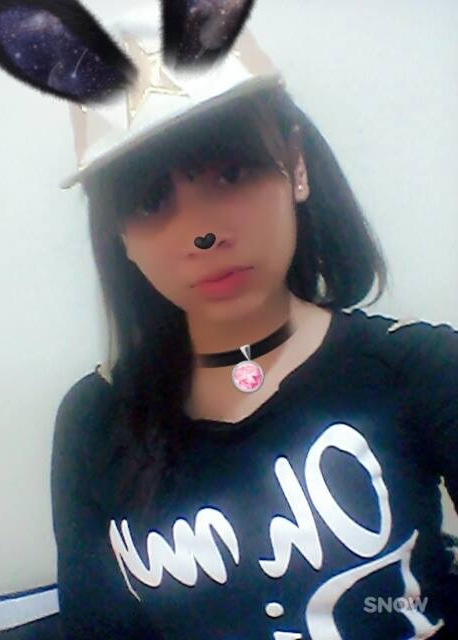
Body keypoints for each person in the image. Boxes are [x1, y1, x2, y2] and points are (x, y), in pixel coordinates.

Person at [48, 8, 458, 640]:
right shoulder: (95, 420)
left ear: (296, 166)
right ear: (119, 237)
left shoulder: (418, 369)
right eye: (150, 200)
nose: (201, 232)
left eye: (231, 173)